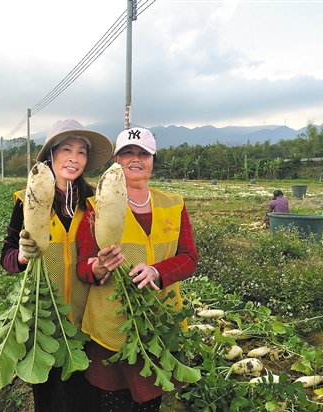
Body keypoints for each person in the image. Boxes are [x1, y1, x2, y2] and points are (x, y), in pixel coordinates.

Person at [75, 127, 199, 412]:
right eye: (127, 153)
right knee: (113, 403)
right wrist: (98, 266)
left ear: (153, 160)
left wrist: (157, 271)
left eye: (143, 153)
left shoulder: (173, 205)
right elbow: (83, 265)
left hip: (158, 321)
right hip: (111, 325)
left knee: (150, 403)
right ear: (116, 160)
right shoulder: (96, 207)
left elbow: (189, 257)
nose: (135, 159)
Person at [0, 119, 113, 412]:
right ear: (51, 154)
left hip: (86, 316)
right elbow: (7, 257)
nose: (74, 158)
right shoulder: (27, 201)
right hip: (43, 319)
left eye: (81, 152)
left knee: (84, 400)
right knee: (50, 400)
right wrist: (23, 257)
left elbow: (104, 254)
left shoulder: (94, 204)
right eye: (67, 149)